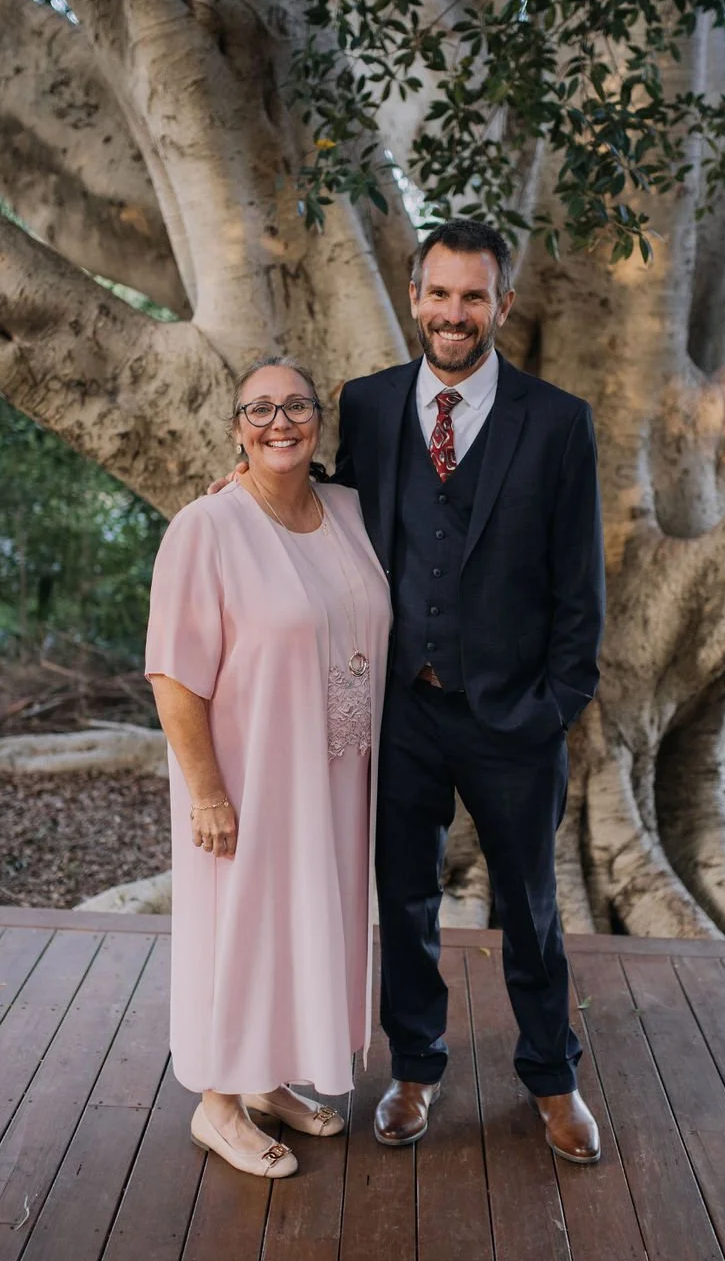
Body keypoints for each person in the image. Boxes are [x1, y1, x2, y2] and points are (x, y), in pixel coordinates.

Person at [334, 219, 605, 1162]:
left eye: (474, 296)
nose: (455, 314)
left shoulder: (558, 421)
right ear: (414, 297)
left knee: (528, 907)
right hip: (402, 707)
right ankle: (415, 1068)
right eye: (440, 294)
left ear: (503, 305)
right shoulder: (367, 405)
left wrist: (554, 707)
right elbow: (329, 513)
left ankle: (553, 1078)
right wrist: (245, 486)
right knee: (404, 899)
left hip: (514, 715)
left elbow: (581, 585)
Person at [146, 358, 391, 1178]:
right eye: (259, 409)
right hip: (246, 778)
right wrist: (207, 794)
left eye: (295, 406)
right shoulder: (207, 528)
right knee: (243, 928)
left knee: (302, 924)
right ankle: (217, 1106)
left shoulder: (350, 510)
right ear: (236, 430)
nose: (278, 422)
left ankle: (268, 1080)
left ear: (318, 420)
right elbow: (173, 675)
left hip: (333, 777)